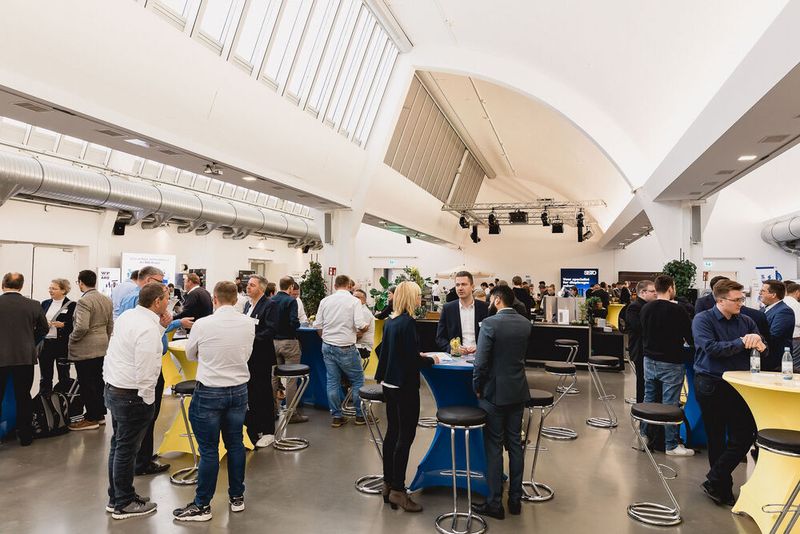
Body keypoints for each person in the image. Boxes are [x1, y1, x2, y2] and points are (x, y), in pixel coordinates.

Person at [172, 281, 255, 522]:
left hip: (210, 391)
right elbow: (246, 353)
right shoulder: (248, 323)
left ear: (215, 300)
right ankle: (237, 497)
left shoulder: (203, 324)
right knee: (235, 444)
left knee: (209, 451)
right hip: (239, 390)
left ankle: (202, 506)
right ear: (235, 299)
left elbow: (190, 354)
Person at [692, 279, 767, 506]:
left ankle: (714, 478)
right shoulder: (702, 320)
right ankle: (721, 487)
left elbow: (760, 345)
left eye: (742, 298)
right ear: (720, 300)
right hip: (711, 383)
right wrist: (742, 342)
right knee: (716, 437)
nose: (741, 303)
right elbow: (712, 349)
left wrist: (760, 343)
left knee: (744, 435)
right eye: (737, 300)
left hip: (739, 386)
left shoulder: (746, 320)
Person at [104, 282, 170, 519]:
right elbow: (146, 367)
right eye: (167, 299)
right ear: (157, 302)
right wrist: (148, 400)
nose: (169, 302)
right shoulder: (147, 329)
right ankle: (123, 503)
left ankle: (118, 497)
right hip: (133, 395)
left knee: (118, 446)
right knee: (127, 450)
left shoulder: (129, 317)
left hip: (115, 388)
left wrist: (162, 328)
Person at [118, 266, 192, 476]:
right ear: (150, 280)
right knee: (146, 417)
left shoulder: (132, 306)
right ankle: (141, 462)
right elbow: (147, 334)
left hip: (134, 369)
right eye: (160, 281)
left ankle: (142, 458)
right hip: (142, 371)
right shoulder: (138, 303)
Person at [375, 281, 439, 512]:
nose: (421, 300)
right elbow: (413, 360)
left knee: (392, 434)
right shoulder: (408, 323)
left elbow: (380, 350)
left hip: (389, 384)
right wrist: (431, 359)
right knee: (405, 437)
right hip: (405, 387)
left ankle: (388, 483)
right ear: (411, 298)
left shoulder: (391, 322)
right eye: (418, 296)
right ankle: (399, 491)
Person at [472, 284, 531, 519]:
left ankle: (494, 503)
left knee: (494, 446)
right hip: (517, 390)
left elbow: (481, 361)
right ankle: (515, 499)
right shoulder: (525, 324)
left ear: (497, 300)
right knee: (515, 444)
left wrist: (477, 386)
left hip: (494, 393)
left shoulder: (490, 324)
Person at [639, 275, 695, 456]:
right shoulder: (678, 311)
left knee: (649, 399)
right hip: (671, 361)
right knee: (670, 404)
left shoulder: (646, 308)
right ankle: (671, 445)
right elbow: (690, 336)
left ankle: (644, 436)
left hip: (649, 360)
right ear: (671, 288)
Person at [0, 272, 49, 446]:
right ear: (21, 286)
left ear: (2, 284)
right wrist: (30, 340)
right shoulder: (34, 305)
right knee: (23, 396)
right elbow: (44, 329)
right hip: (25, 357)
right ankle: (25, 435)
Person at [314, 274, 369, 427]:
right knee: (357, 380)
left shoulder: (325, 301)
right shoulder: (354, 302)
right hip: (346, 347)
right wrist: (366, 327)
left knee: (332, 381)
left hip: (327, 346)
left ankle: (337, 416)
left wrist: (326, 338)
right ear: (350, 286)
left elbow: (318, 325)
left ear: (335, 286)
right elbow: (359, 324)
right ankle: (360, 415)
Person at [68, 270, 114, 431]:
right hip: (101, 344)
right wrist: (105, 338)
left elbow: (81, 326)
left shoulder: (84, 301)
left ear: (81, 282)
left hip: (85, 346)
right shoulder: (106, 299)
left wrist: (72, 338)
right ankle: (100, 414)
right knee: (97, 380)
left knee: (86, 382)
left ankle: (91, 418)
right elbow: (110, 324)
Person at [243, 275, 277, 448]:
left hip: (261, 356)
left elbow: (270, 330)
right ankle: (254, 427)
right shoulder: (248, 305)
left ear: (261, 288)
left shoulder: (269, 305)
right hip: (248, 356)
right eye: (248, 285)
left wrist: (250, 338)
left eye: (252, 285)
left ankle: (268, 430)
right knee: (251, 393)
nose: (248, 287)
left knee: (263, 392)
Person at [269, 276, 306, 423]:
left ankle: (272, 411)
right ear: (291, 287)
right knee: (291, 379)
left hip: (273, 342)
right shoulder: (291, 301)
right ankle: (292, 413)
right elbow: (293, 321)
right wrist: (296, 326)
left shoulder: (271, 300)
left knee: (274, 377)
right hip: (289, 342)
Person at [436, 271, 489, 354]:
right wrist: (451, 349)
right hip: (457, 358)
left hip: (480, 357)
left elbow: (493, 336)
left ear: (472, 287)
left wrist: (480, 347)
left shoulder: (485, 308)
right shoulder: (448, 309)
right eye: (457, 285)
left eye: (464, 284)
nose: (460, 288)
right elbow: (440, 338)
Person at [38, 278, 76, 394]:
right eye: (50, 288)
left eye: (54, 288)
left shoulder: (72, 305)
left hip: (61, 345)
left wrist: (63, 325)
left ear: (63, 290)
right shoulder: (45, 303)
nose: (50, 290)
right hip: (46, 344)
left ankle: (63, 403)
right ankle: (44, 405)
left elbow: (75, 325)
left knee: (63, 376)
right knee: (45, 377)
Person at [626, 280, 656, 403]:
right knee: (642, 383)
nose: (655, 293)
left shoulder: (649, 307)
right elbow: (638, 327)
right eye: (652, 291)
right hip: (640, 351)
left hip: (648, 350)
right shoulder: (634, 307)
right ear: (643, 292)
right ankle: (641, 409)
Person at [759, 279, 795, 370]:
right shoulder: (763, 310)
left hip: (774, 359)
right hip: (764, 356)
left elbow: (774, 335)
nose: (760, 293)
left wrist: (756, 339)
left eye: (763, 291)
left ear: (773, 295)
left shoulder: (784, 311)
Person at [783, 281, 800, 370]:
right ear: (797, 292)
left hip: (785, 339)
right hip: (796, 339)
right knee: (796, 366)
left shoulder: (782, 302)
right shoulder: (795, 304)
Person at [353, 289, 375, 353]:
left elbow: (359, 335)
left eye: (357, 297)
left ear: (364, 301)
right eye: (353, 297)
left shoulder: (364, 312)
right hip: (357, 345)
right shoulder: (358, 310)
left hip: (362, 347)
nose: (354, 299)